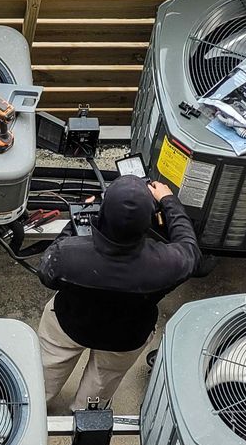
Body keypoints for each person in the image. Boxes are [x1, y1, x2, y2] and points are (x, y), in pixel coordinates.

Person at [36, 175, 201, 411]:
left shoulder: (67, 255)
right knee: (102, 381)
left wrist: (78, 219)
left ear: (102, 215)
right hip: (126, 335)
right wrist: (168, 200)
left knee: (47, 367)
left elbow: (47, 274)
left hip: (69, 322)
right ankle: (85, 419)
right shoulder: (168, 263)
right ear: (149, 222)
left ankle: (36, 402)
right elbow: (190, 249)